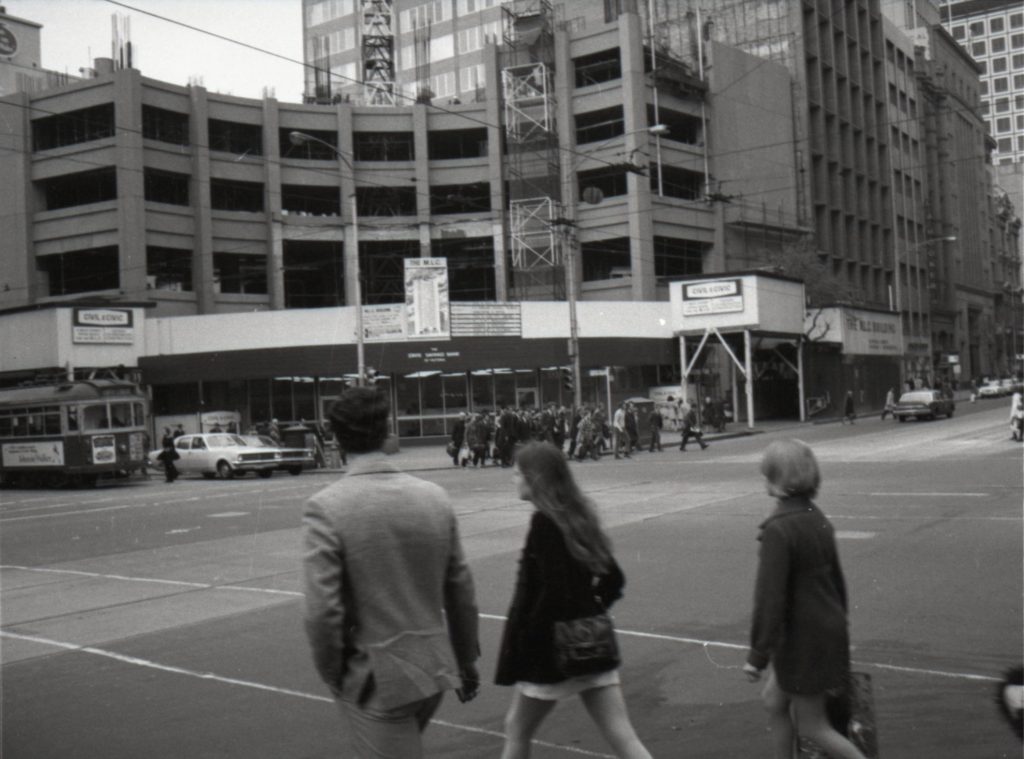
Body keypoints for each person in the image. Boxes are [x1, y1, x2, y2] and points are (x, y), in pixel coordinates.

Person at [302, 387, 481, 757]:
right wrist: (465, 661)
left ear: (337, 439)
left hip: (377, 680)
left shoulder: (326, 507)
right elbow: (460, 590)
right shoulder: (433, 496)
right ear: (386, 432)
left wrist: (336, 676)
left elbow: (322, 612)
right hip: (432, 670)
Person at [495, 442, 652, 759]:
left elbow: (551, 593)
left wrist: (528, 641)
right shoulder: (578, 516)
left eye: (516, 473)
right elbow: (613, 579)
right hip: (591, 645)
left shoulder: (543, 523)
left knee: (516, 729)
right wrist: (590, 613)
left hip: (550, 654)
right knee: (623, 736)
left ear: (534, 479)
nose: (513, 479)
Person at [743, 439, 866, 759]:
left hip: (803, 642)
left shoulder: (778, 530)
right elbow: (837, 582)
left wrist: (757, 655)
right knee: (774, 701)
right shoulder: (817, 518)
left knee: (814, 726)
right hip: (825, 631)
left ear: (776, 479)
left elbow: (769, 599)